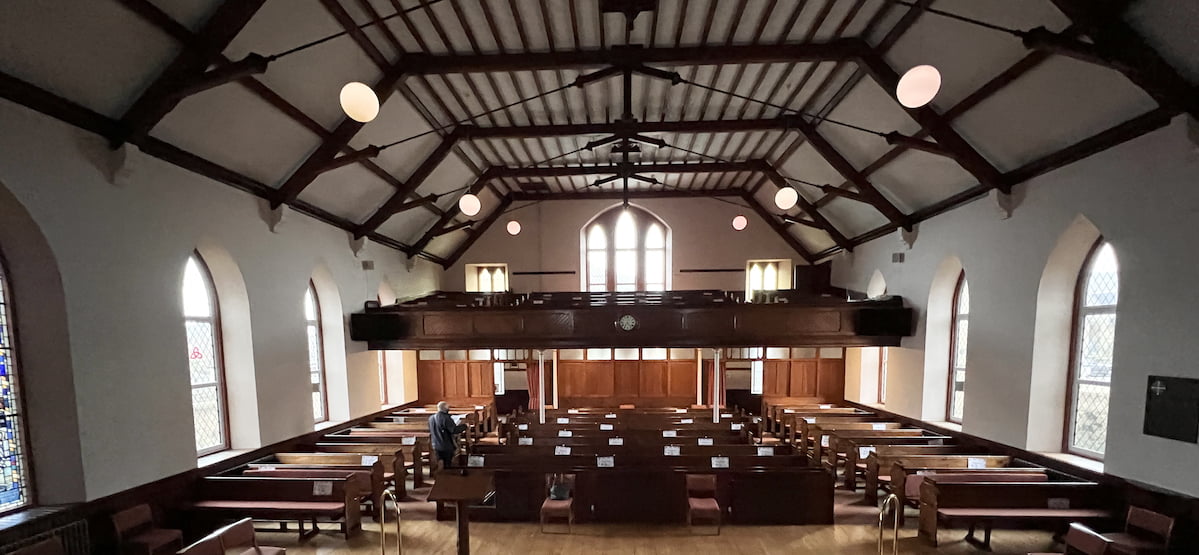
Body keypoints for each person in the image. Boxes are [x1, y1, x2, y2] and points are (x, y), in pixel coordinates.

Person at [428, 401, 467, 470]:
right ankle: (447, 477)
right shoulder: (446, 418)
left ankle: (440, 477)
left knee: (440, 463)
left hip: (435, 444)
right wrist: (465, 426)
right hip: (446, 445)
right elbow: (454, 430)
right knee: (448, 465)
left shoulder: (431, 418)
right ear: (447, 409)